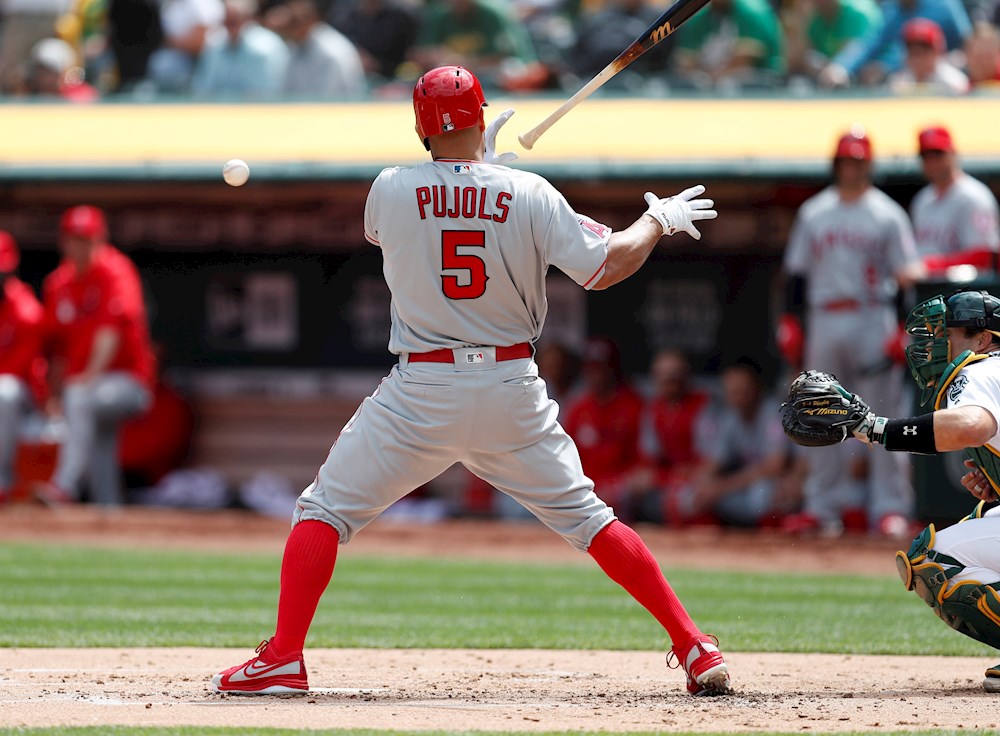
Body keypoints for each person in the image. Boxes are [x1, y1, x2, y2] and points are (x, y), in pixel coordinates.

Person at [211, 65, 730, 697]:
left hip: (420, 392)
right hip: (511, 386)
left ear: (421, 128)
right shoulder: (532, 193)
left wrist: (475, 167)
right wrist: (659, 222)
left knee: (323, 511)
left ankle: (285, 656)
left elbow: (434, 207)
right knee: (591, 520)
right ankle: (694, 645)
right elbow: (605, 266)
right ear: (483, 116)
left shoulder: (389, 189)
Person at [791, 288, 1000, 691]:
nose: (938, 346)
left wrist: (874, 429)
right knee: (983, 513)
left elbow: (972, 426)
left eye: (949, 334)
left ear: (984, 339)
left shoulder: (980, 368)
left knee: (929, 558)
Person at [778, 129, 922, 538]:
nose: (851, 168)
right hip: (824, 315)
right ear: (836, 164)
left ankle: (890, 508)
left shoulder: (887, 213)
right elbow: (796, 275)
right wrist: (790, 321)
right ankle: (822, 508)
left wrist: (902, 329)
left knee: (880, 412)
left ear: (868, 165)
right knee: (815, 411)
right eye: (845, 161)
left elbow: (906, 278)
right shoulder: (815, 211)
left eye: (858, 161)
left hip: (871, 313)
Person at [38, 205, 156, 507]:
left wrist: (86, 379)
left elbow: (109, 334)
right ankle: (107, 514)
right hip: (85, 384)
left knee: (80, 399)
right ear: (63, 241)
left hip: (129, 383)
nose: (81, 247)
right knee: (98, 439)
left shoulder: (115, 270)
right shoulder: (58, 283)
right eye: (75, 239)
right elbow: (58, 348)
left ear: (100, 239)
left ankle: (64, 486)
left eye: (87, 239)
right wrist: (53, 393)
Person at [680, 358, 795, 527]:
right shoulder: (731, 416)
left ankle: (769, 538)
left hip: (778, 485)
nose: (739, 398)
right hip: (742, 486)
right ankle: (710, 538)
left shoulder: (772, 412)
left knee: (761, 495)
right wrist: (702, 481)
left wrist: (721, 487)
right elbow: (716, 461)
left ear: (757, 389)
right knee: (689, 495)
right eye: (733, 392)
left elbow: (774, 466)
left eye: (743, 391)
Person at [625, 349, 711, 524]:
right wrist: (660, 477)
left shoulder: (703, 405)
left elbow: (711, 462)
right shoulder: (653, 409)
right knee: (627, 491)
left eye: (675, 374)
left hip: (700, 479)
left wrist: (677, 477)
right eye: (663, 375)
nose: (669, 380)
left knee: (682, 498)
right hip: (670, 478)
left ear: (686, 376)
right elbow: (650, 459)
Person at [562, 337, 644, 512]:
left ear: (613, 369)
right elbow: (565, 458)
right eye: (591, 369)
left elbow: (643, 463)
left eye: (601, 369)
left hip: (622, 487)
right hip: (585, 486)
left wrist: (618, 486)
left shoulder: (634, 406)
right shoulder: (578, 408)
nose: (595, 375)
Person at [909, 125, 1000, 277]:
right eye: (926, 156)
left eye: (938, 154)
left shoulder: (973, 197)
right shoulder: (922, 200)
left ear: (953, 153)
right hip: (928, 293)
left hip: (965, 296)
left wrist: (932, 266)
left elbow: (987, 257)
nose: (932, 162)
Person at [818, 0, 971, 87]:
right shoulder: (891, 9)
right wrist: (841, 67)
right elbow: (869, 43)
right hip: (906, 80)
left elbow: (967, 42)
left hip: (943, 77)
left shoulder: (945, 6)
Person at [0, 232, 46, 503]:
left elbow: (16, 370)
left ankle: (2, 479)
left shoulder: (25, 310)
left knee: (3, 391)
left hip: (27, 407)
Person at [671, 0, 785, 90]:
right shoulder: (699, 16)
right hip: (712, 85)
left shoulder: (751, 10)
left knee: (730, 83)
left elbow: (742, 62)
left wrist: (708, 77)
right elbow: (685, 63)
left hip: (759, 87)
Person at [190, 0, 289, 99]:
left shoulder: (266, 48)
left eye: (234, 21)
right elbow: (203, 91)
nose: (229, 26)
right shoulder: (214, 47)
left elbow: (267, 95)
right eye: (227, 21)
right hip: (217, 112)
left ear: (248, 17)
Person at [278, 0, 366, 99]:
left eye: (295, 22)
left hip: (338, 112)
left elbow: (324, 102)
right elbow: (285, 94)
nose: (288, 26)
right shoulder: (294, 47)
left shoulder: (331, 52)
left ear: (311, 19)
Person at [887, 18, 969, 94]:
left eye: (924, 52)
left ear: (936, 52)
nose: (918, 59)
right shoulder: (899, 83)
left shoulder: (954, 83)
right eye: (913, 52)